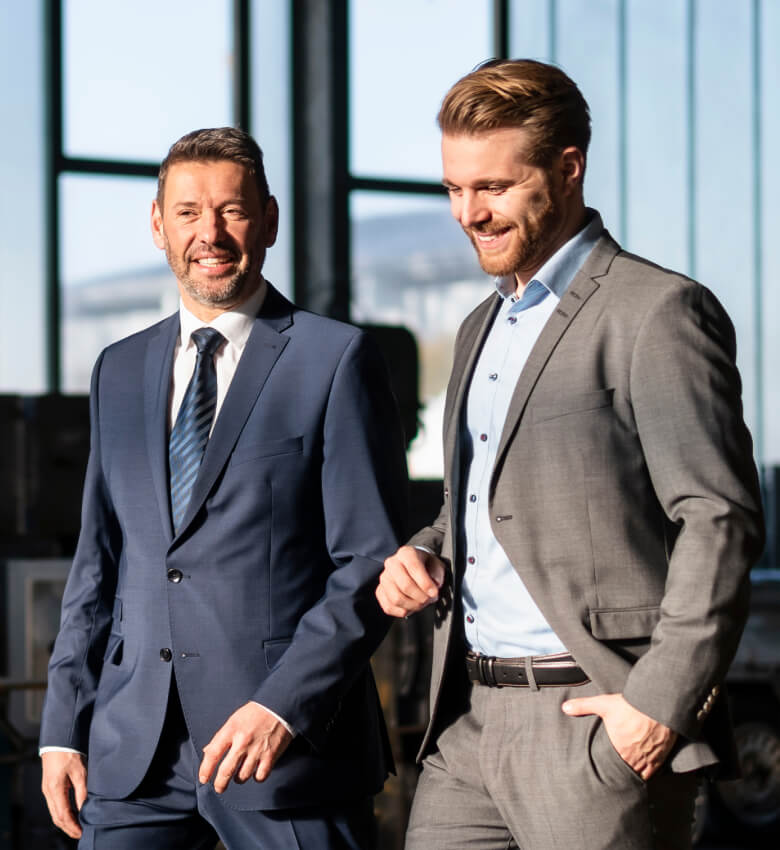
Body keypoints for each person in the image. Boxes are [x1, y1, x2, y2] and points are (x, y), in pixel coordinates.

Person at [376, 59, 765, 849]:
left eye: (492, 187)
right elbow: (475, 506)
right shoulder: (480, 330)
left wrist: (658, 705)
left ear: (568, 167)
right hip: (469, 725)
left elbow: (717, 518)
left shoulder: (657, 312)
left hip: (595, 722)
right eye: (454, 189)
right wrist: (422, 551)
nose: (468, 213)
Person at [40, 126, 407, 849]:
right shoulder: (118, 369)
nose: (209, 233)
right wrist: (62, 726)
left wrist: (282, 706)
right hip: (133, 753)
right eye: (187, 213)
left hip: (282, 750)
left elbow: (367, 561)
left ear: (268, 218)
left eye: (232, 211)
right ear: (157, 224)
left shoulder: (335, 359)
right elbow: (98, 566)